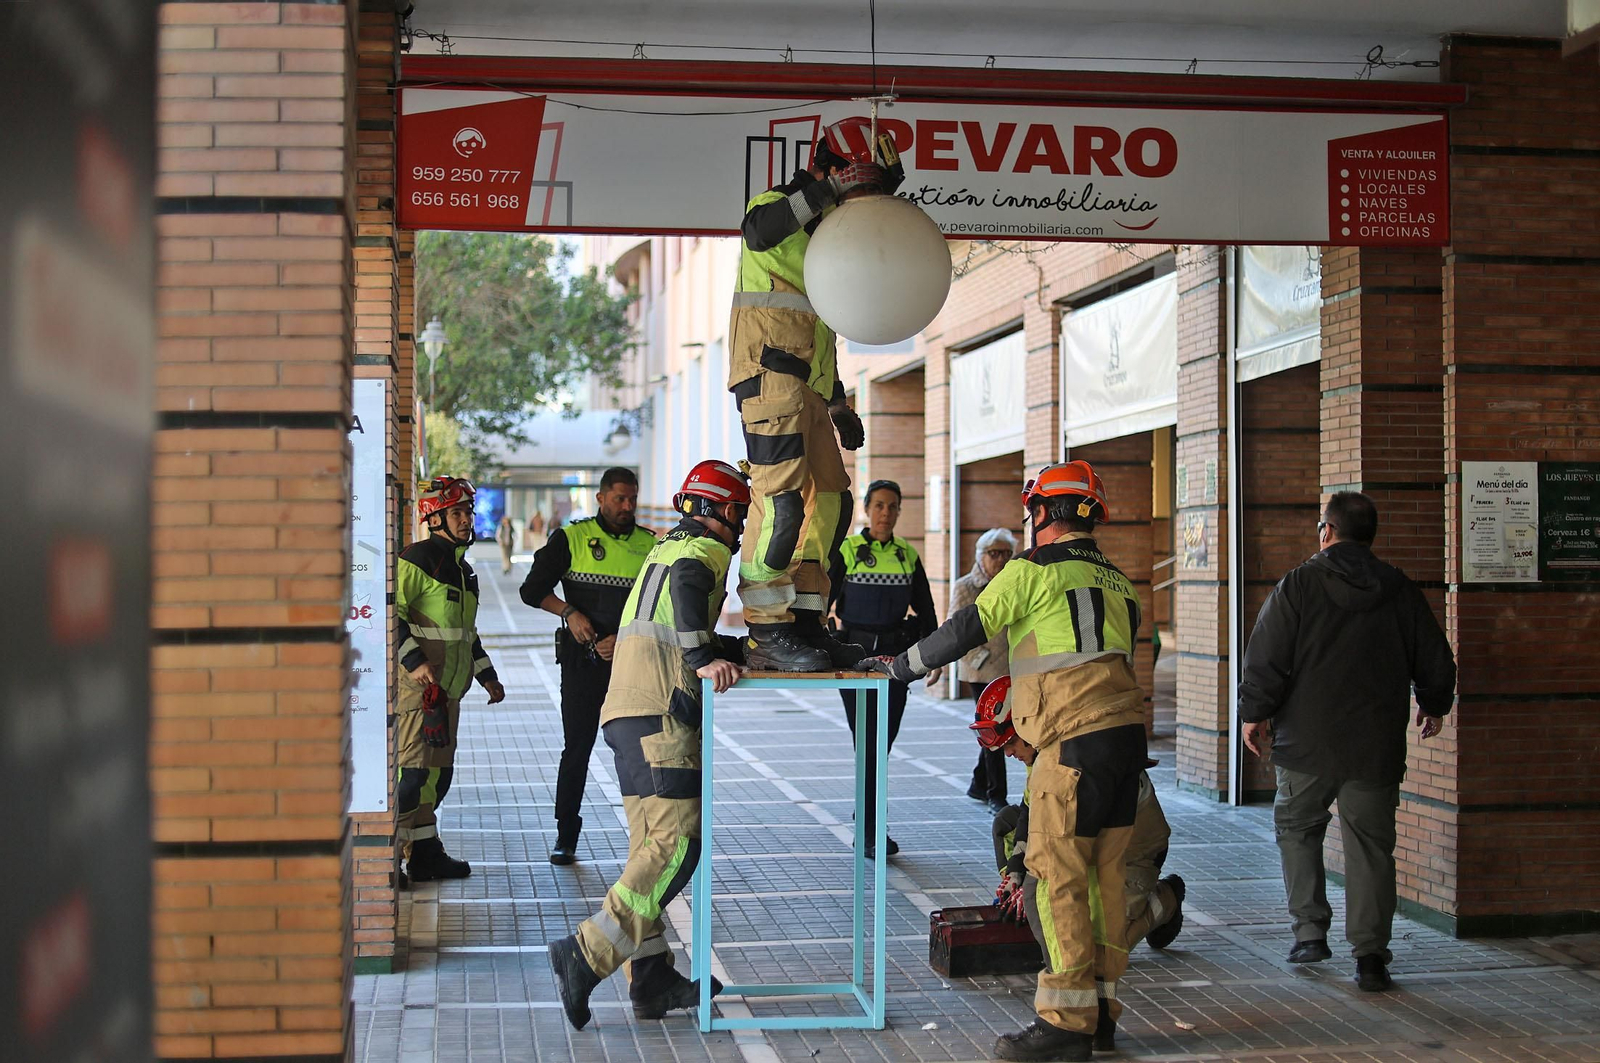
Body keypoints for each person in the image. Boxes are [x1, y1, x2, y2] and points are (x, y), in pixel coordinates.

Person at [861, 460, 1148, 1062]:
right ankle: (1101, 1014)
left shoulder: (1030, 571)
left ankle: (1065, 1024)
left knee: (1056, 880)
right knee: (1107, 885)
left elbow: (968, 626)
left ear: (1043, 513)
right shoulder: (1120, 582)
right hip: (1127, 747)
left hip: (1069, 747)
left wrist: (900, 666)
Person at [548, 460, 750, 1029]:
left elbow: (674, 618)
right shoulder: (699, 554)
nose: (737, 526)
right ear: (713, 511)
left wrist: (732, 650)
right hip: (661, 716)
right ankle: (586, 953)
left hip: (628, 712)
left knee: (648, 849)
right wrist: (704, 658)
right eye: (735, 513)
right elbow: (688, 600)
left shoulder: (663, 548)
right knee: (678, 846)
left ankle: (653, 977)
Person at [1239, 490, 1456, 993]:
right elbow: (1434, 658)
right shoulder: (1399, 589)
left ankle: (1310, 932)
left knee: (1297, 829)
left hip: (1306, 743)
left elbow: (1266, 655)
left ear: (1326, 531)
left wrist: (1255, 714)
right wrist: (1433, 702)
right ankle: (1371, 957)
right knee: (1372, 848)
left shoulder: (1298, 584)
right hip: (1375, 745)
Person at [727, 123, 897, 672]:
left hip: (811, 392)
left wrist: (839, 401)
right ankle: (764, 631)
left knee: (832, 501)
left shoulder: (832, 235)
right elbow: (757, 230)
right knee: (778, 504)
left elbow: (820, 332)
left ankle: (803, 621)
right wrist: (827, 192)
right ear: (832, 170)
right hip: (769, 379)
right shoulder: (779, 207)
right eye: (863, 185)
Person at [974, 678, 1186, 955]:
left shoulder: (1077, 755)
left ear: (1029, 725)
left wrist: (1038, 886)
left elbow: (1065, 839)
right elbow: (1030, 812)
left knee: (1102, 949)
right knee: (1007, 824)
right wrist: (1016, 873)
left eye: (1010, 742)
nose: (1008, 753)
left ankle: (1166, 898)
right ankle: (1024, 905)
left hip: (1132, 851)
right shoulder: (1042, 749)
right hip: (1089, 840)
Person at [520, 468, 655, 864]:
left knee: (638, 750)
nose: (627, 506)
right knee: (577, 748)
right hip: (583, 663)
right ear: (600, 498)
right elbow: (532, 590)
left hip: (632, 663)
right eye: (619, 499)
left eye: (632, 499)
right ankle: (566, 835)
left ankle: (647, 840)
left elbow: (657, 604)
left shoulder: (650, 544)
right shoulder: (572, 537)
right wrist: (570, 612)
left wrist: (625, 639)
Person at [394, 476, 507, 883]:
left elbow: (464, 632)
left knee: (437, 780)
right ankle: (386, 860)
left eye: (468, 512)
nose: (466, 520)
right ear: (434, 518)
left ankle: (423, 854)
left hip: (447, 693)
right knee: (412, 777)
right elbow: (394, 614)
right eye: (457, 513)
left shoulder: (464, 571)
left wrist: (487, 675)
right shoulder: (416, 560)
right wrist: (413, 662)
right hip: (418, 692)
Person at [825, 479, 940, 857]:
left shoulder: (908, 555)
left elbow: (926, 611)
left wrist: (934, 656)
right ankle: (872, 832)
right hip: (854, 660)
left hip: (895, 663)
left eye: (893, 507)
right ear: (866, 509)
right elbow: (821, 600)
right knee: (868, 745)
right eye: (879, 506)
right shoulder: (848, 550)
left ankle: (868, 816)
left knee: (881, 745)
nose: (885, 514)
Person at [953, 527, 1017, 811]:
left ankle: (978, 785)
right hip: (980, 671)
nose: (1001, 559)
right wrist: (980, 659)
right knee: (995, 730)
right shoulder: (965, 586)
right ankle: (996, 795)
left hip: (1009, 669)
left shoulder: (1015, 584)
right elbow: (957, 629)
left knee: (997, 730)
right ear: (981, 556)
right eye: (994, 554)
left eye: (1006, 554)